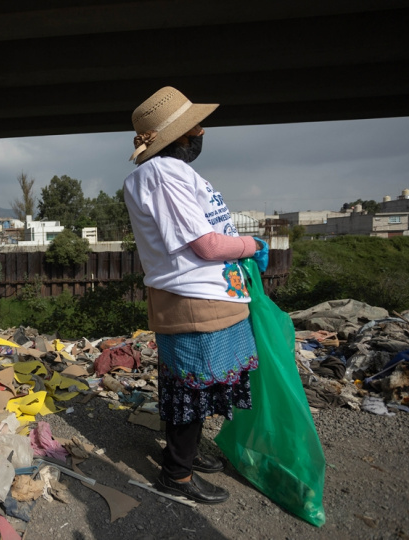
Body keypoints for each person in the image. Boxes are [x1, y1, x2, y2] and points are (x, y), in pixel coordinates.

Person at [122, 87, 269, 504]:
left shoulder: (168, 172)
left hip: (211, 296)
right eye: (196, 127)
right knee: (192, 387)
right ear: (180, 137)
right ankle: (177, 474)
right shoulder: (163, 174)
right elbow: (205, 245)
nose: (203, 133)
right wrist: (253, 246)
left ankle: (181, 456)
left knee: (195, 386)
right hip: (194, 298)